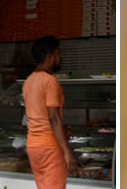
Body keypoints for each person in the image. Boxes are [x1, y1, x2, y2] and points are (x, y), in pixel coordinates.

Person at [23, 35, 78, 188]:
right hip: (49, 146)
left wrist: (63, 129)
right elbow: (53, 118)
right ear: (49, 56)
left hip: (33, 146)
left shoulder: (28, 81)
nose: (61, 57)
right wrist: (68, 153)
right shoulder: (50, 81)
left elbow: (39, 114)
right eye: (58, 54)